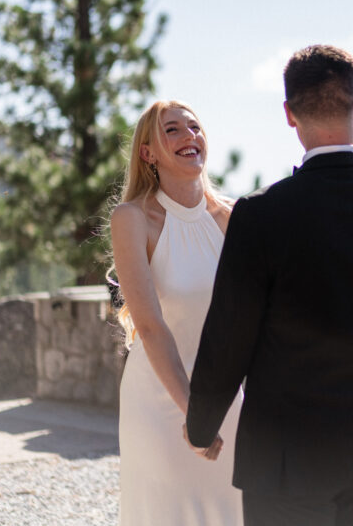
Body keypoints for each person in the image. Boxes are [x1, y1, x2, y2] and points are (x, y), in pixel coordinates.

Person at [183, 45, 353, 526]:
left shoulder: (260, 212)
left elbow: (230, 334)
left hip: (285, 457)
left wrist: (201, 425)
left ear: (289, 115)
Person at [110, 100, 242, 526]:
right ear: (147, 153)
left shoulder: (236, 218)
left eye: (195, 126)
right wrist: (193, 413)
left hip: (230, 397)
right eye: (172, 130)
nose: (189, 136)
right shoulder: (132, 218)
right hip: (160, 400)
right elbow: (149, 326)